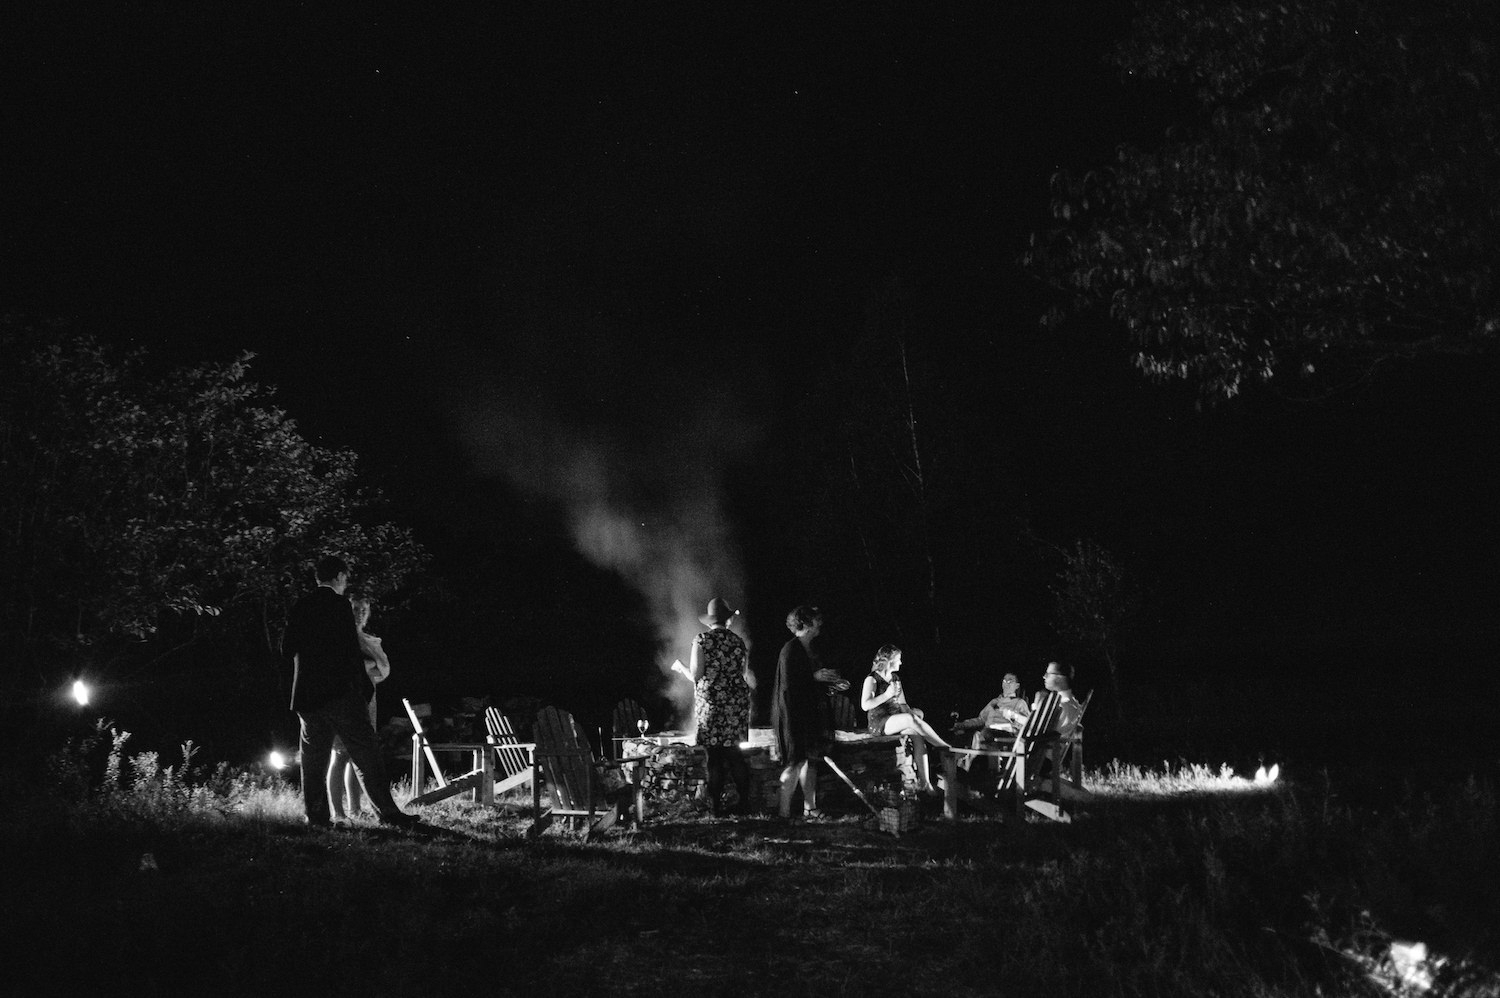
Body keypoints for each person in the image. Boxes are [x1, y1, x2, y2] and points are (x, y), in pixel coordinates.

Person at [283, 555, 418, 829]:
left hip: (307, 697)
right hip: (340, 694)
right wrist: (362, 689)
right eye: (345, 578)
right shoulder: (339, 605)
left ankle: (316, 817)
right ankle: (388, 813)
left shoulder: (300, 605)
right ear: (340, 576)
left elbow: (287, 649)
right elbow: (349, 652)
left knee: (314, 761)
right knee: (366, 755)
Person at [671, 597, 754, 816]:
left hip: (712, 704)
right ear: (728, 620)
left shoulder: (701, 640)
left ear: (709, 621)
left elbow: (697, 675)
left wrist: (681, 669)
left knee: (714, 757)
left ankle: (716, 807)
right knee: (735, 754)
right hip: (736, 703)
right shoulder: (738, 642)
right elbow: (743, 674)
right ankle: (744, 803)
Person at [770, 605, 847, 819]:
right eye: (816, 620)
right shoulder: (790, 649)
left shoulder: (809, 649)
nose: (819, 623)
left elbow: (810, 681)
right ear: (805, 623)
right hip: (794, 717)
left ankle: (810, 809)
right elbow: (788, 686)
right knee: (795, 762)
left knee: (810, 762)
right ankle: (784, 814)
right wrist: (814, 677)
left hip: (810, 715)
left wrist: (828, 684)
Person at [326, 596, 392, 821]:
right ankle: (338, 811)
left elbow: (382, 668)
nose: (360, 613)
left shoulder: (367, 639)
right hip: (344, 701)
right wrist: (368, 665)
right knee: (340, 754)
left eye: (364, 609)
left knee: (359, 756)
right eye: (355, 609)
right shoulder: (339, 637)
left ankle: (355, 808)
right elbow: (347, 667)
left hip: (367, 700)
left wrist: (370, 666)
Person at [860, 644, 951, 792]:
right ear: (889, 660)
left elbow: (902, 703)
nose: (901, 662)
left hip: (894, 718)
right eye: (898, 659)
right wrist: (887, 695)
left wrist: (914, 718)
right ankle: (944, 747)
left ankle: (925, 782)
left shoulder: (895, 678)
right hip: (879, 722)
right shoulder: (872, 679)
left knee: (917, 733)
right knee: (910, 719)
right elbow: (865, 705)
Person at [954, 671, 1030, 772]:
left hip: (1005, 734)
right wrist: (961, 725)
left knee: (983, 734)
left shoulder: (1019, 702)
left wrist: (1012, 716)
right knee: (961, 735)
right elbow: (981, 719)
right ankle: (958, 769)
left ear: (1017, 686)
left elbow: (1026, 722)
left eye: (1010, 681)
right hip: (987, 732)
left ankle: (981, 767)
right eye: (1004, 681)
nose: (1006, 684)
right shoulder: (994, 701)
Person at [1038, 661, 1083, 739]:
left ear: (1060, 678)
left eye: (1048, 674)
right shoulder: (1071, 703)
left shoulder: (1065, 705)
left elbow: (1042, 733)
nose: (1044, 676)